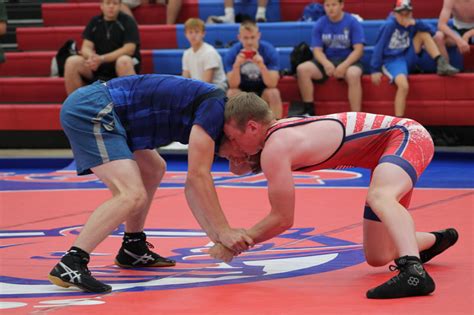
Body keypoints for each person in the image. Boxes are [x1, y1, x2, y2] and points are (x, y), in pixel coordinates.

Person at [215, 92, 459, 299]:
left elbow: (282, 219)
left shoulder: (275, 148)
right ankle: (434, 241)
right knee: (378, 255)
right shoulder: (277, 136)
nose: (235, 148)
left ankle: (414, 272)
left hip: (406, 136)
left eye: (235, 139)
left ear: (252, 127)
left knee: (381, 196)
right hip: (388, 152)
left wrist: (238, 244)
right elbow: (239, 166)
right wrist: (231, 150)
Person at [49, 74, 254, 293]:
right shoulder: (214, 108)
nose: (241, 158)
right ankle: (72, 261)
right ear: (241, 128)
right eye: (245, 152)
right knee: (131, 194)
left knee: (153, 168)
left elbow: (193, 187)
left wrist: (218, 236)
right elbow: (197, 178)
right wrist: (223, 232)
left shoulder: (213, 109)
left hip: (113, 114)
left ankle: (132, 246)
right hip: (93, 107)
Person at [370, 0, 459, 118]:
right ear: (395, 13)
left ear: (411, 13)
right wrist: (375, 69)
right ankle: (398, 123)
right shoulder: (389, 25)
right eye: (401, 14)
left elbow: (432, 31)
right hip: (393, 60)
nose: (404, 17)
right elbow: (378, 47)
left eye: (407, 14)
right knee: (403, 86)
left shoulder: (412, 23)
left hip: (408, 56)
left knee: (424, 34)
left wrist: (416, 23)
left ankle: (441, 63)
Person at [292, 0, 365, 116]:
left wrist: (344, 65)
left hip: (348, 61)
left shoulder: (352, 22)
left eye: (334, 5)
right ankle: (309, 111)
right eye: (327, 5)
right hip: (327, 60)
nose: (330, 8)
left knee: (353, 74)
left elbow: (358, 50)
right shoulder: (320, 23)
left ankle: (357, 116)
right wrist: (326, 63)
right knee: (302, 69)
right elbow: (317, 50)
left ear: (341, 5)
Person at [64, 0, 141, 95]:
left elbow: (129, 49)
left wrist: (102, 58)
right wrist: (92, 57)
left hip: (123, 65)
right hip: (100, 66)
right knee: (72, 62)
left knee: (123, 60)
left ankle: (132, 104)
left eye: (115, 3)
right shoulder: (95, 22)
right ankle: (75, 106)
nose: (111, 6)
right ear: (102, 6)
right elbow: (86, 47)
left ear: (120, 5)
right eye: (108, 3)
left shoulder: (128, 21)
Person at [224, 20, 283, 119]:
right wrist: (236, 65)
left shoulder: (269, 51)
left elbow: (272, 84)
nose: (249, 42)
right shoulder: (232, 53)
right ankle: (234, 130)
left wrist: (262, 66)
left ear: (258, 35)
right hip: (242, 91)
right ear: (239, 38)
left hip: (263, 89)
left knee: (274, 93)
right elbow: (233, 85)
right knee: (231, 93)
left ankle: (277, 128)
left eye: (252, 37)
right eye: (245, 38)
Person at [182, 18, 227, 91]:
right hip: (199, 87)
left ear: (203, 33)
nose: (193, 35)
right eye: (190, 32)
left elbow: (207, 82)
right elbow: (185, 79)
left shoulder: (210, 52)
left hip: (216, 88)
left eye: (197, 32)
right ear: (185, 34)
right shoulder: (186, 53)